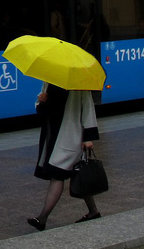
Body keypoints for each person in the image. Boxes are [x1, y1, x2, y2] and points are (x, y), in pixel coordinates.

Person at [27, 82, 101, 231]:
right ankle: (93, 211)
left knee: (57, 174)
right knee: (77, 173)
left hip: (70, 137)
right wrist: (42, 102)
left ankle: (42, 218)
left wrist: (88, 137)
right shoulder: (49, 80)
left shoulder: (79, 83)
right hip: (53, 136)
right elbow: (41, 108)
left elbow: (87, 108)